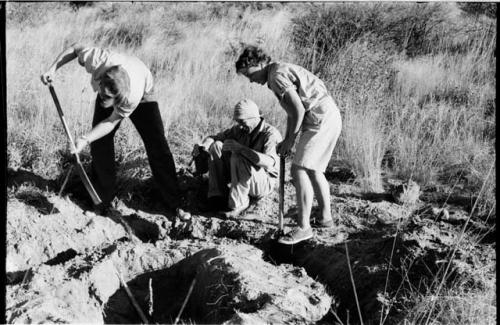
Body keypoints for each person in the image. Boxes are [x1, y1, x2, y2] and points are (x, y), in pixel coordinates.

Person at [41, 43, 180, 213]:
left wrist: (85, 138)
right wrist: (52, 69)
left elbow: (111, 121)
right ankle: (101, 199)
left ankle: (173, 202)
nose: (101, 97)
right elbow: (76, 48)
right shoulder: (99, 60)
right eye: (101, 90)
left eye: (107, 97)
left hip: (144, 91)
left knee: (156, 144)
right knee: (99, 141)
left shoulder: (131, 97)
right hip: (116, 81)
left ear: (118, 99)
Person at [235, 45, 342, 245]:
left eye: (249, 74)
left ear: (258, 64)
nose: (250, 80)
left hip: (320, 118)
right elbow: (294, 112)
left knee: (299, 169)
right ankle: (325, 219)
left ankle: (303, 228)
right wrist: (288, 138)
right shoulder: (278, 70)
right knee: (314, 170)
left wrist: (289, 142)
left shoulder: (275, 75)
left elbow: (298, 110)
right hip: (327, 115)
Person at [193, 99, 282, 218]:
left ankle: (238, 204)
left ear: (254, 118)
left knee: (238, 155)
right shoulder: (239, 129)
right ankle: (217, 196)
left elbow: (269, 163)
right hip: (243, 174)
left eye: (242, 122)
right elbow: (215, 138)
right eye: (237, 121)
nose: (239, 125)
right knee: (217, 146)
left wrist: (242, 149)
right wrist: (203, 146)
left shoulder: (270, 134)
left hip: (264, 181)